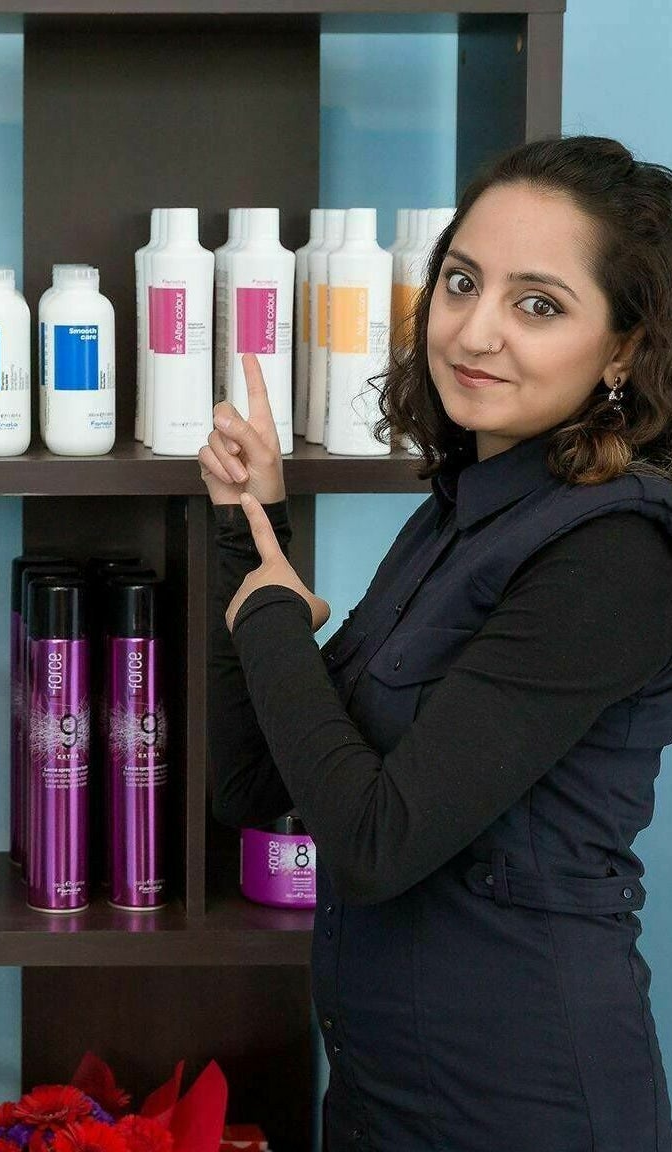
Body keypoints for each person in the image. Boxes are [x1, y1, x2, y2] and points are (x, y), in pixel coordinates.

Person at [205, 135, 672, 1151]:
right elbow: (249, 784)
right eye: (461, 282)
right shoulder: (459, 515)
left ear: (624, 350)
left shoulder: (613, 556)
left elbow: (374, 845)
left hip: (522, 1110)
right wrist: (250, 530)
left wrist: (273, 615)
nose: (474, 329)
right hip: (378, 1099)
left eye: (537, 304)